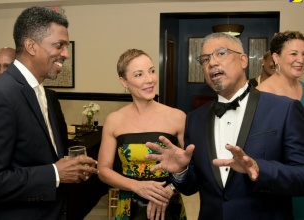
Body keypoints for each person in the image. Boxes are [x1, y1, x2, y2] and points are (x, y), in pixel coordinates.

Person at [145, 32, 304, 220]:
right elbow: (192, 187)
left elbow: (301, 176)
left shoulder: (284, 109)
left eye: (221, 53)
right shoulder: (195, 119)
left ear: (243, 60)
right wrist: (182, 171)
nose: (211, 63)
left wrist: (259, 169)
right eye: (205, 59)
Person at [0, 6, 98, 220]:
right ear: (31, 46)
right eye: (59, 45)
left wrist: (70, 167)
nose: (66, 54)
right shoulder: (0, 95)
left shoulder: (46, 95)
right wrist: (55, 174)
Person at [98, 49, 187, 220]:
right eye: (139, 74)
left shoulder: (177, 117)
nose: (150, 79)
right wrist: (136, 186)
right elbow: (103, 170)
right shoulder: (114, 120)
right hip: (128, 207)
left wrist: (170, 190)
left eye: (152, 71)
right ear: (124, 81)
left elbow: (194, 165)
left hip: (168, 205)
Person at [257, 30, 304, 220]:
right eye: (293, 54)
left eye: (303, 54)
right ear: (276, 57)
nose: (300, 60)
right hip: (282, 178)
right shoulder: (261, 96)